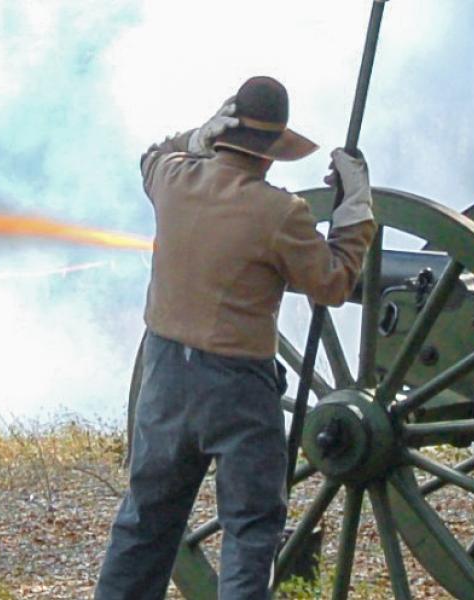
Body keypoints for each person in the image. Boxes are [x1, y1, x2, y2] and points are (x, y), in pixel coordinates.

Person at [93, 76, 377, 599]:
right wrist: (355, 207)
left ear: (224, 135)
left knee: (144, 522)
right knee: (251, 530)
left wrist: (196, 135)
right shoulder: (280, 212)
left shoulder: (172, 179)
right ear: (271, 155)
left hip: (163, 374)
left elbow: (152, 156)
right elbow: (334, 283)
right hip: (236, 385)